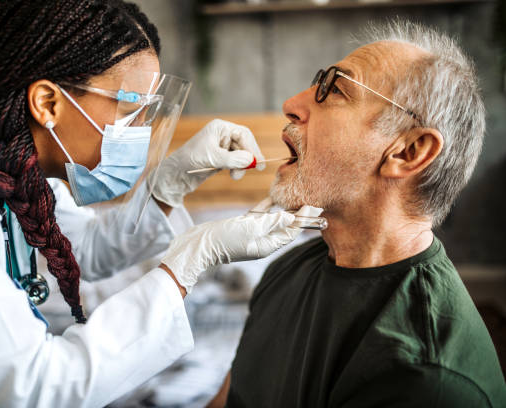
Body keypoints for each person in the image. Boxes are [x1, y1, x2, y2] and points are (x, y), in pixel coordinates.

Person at [0, 1, 303, 407]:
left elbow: (84, 248)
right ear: (48, 104)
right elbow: (37, 387)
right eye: (129, 111)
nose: (141, 132)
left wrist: (171, 183)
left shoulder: (2, 144)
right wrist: (194, 257)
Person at [209, 20, 506, 407]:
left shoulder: (425, 381)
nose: (292, 105)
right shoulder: (291, 267)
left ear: (407, 152)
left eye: (335, 90)